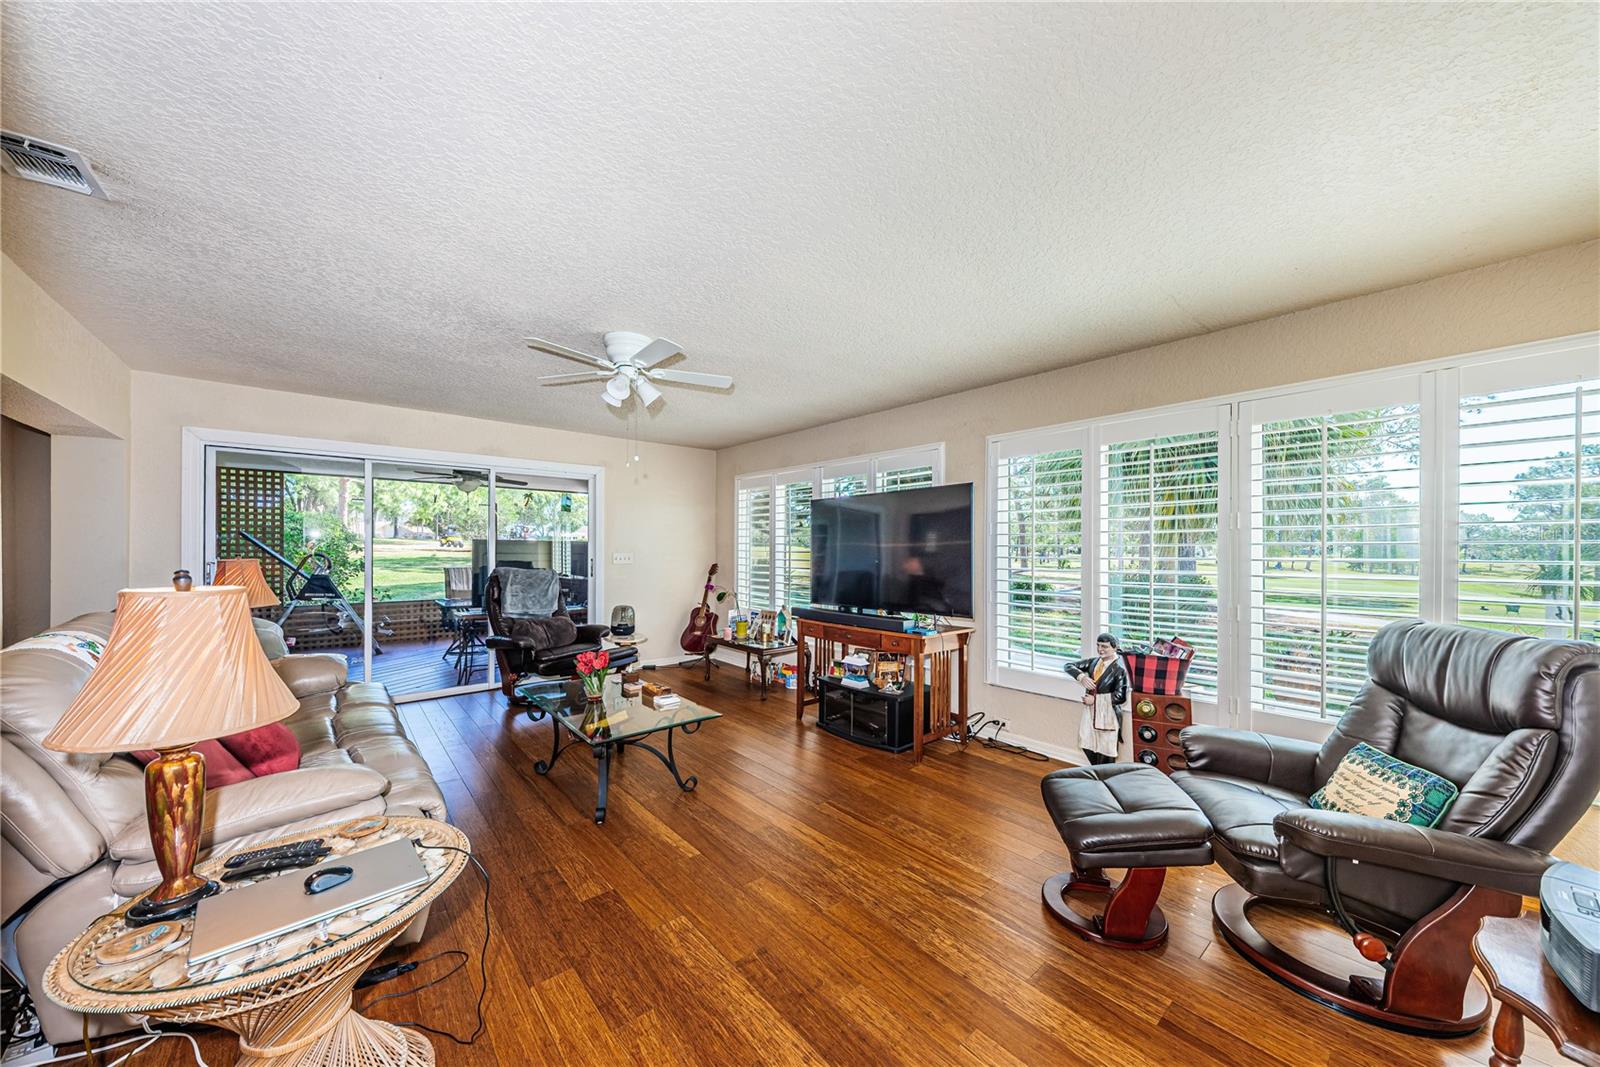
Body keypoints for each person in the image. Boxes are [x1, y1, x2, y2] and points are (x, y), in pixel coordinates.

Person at [1065, 633, 1128, 765]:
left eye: (1104, 646)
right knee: (1087, 742)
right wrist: (1082, 677)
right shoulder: (1094, 662)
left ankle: (1104, 775)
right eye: (1098, 646)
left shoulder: (1119, 669)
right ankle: (1096, 770)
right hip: (1090, 712)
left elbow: (1120, 696)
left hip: (1107, 714)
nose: (1100, 649)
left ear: (1115, 647)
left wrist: (1095, 700)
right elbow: (1068, 666)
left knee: (1105, 748)